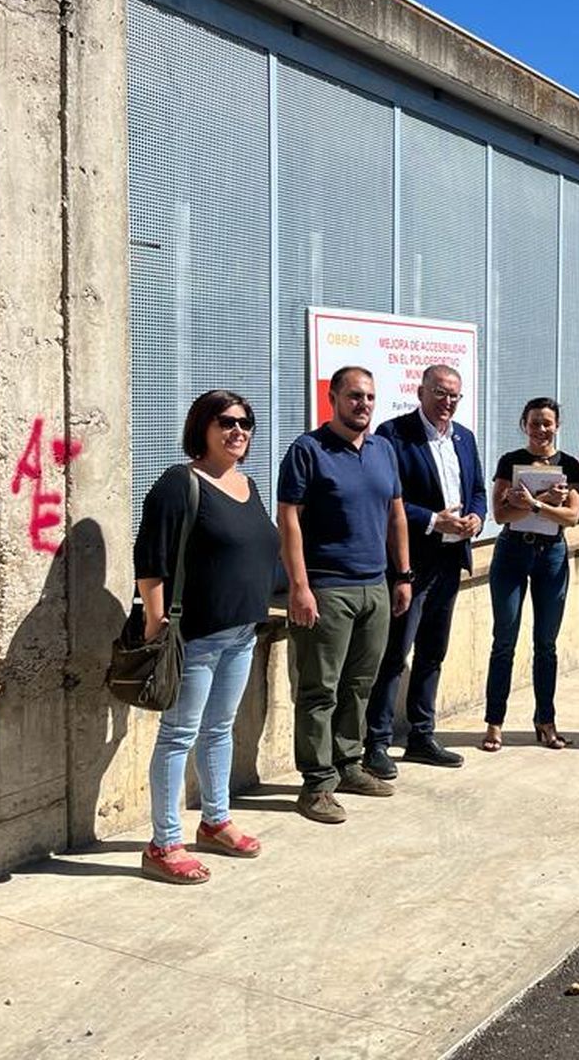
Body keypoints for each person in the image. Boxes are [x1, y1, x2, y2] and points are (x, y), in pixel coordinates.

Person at [133, 390, 279, 884]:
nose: (238, 430)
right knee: (178, 736)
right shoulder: (179, 484)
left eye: (246, 422)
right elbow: (150, 559)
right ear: (203, 427)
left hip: (241, 634)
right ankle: (163, 842)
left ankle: (215, 821)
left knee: (220, 730)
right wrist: (157, 624)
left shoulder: (248, 484)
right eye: (226, 422)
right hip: (193, 638)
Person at [278, 366, 413, 824]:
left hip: (374, 586)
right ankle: (316, 784)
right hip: (327, 588)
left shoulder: (382, 450)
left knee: (360, 685)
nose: (364, 404)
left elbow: (396, 514)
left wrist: (403, 574)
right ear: (333, 397)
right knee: (320, 690)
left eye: (370, 397)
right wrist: (299, 587)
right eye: (354, 396)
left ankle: (349, 764)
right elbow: (289, 520)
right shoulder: (307, 450)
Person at [363, 363, 486, 776]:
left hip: (451, 562)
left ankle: (421, 734)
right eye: (440, 393)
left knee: (433, 653)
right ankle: (376, 742)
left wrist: (476, 520)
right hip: (410, 563)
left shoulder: (464, 438)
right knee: (395, 654)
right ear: (421, 391)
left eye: (454, 395)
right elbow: (386, 500)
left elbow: (479, 493)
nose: (447, 402)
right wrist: (435, 520)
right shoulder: (393, 436)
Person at [481, 397, 579, 751]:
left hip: (551, 554)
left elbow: (572, 517)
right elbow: (499, 515)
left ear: (558, 425)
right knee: (504, 641)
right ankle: (495, 722)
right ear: (523, 424)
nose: (542, 429)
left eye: (548, 422)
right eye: (535, 422)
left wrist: (537, 502)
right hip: (512, 551)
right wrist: (531, 502)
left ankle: (546, 720)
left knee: (546, 644)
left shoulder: (570, 465)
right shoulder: (510, 462)